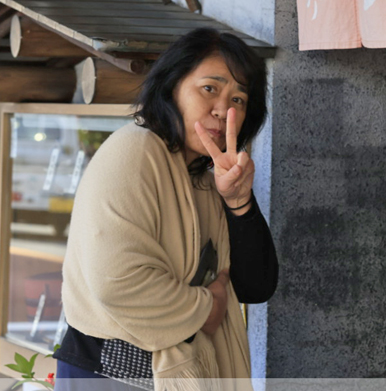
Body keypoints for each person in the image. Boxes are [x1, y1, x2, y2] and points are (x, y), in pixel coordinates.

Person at [53, 28, 278, 391]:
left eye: (238, 99)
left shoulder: (203, 177)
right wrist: (207, 307)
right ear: (172, 85)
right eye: (210, 88)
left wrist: (238, 202)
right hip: (114, 374)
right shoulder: (136, 150)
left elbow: (254, 286)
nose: (223, 109)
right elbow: (117, 282)